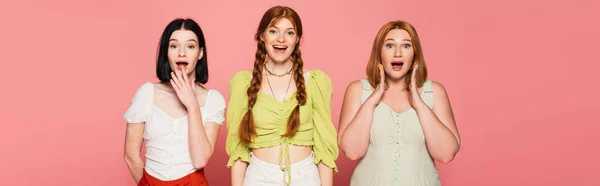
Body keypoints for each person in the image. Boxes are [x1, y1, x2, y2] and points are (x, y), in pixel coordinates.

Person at [337, 20, 461, 186]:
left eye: (406, 46)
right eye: (389, 46)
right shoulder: (357, 90)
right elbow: (352, 151)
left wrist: (419, 103)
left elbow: (446, 154)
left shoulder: (435, 92)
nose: (397, 53)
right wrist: (374, 99)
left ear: (415, 54)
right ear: (379, 52)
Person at [225, 6, 338, 186]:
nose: (281, 39)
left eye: (289, 33)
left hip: (305, 176)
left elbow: (325, 147)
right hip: (259, 177)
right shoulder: (243, 82)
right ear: (262, 36)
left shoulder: (316, 81)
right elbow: (238, 148)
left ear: (297, 39)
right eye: (273, 31)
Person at [123, 18, 225, 186]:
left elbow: (200, 160)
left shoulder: (213, 100)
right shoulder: (147, 93)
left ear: (200, 53)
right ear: (167, 52)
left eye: (190, 46)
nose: (182, 53)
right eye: (174, 46)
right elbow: (130, 155)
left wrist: (192, 105)